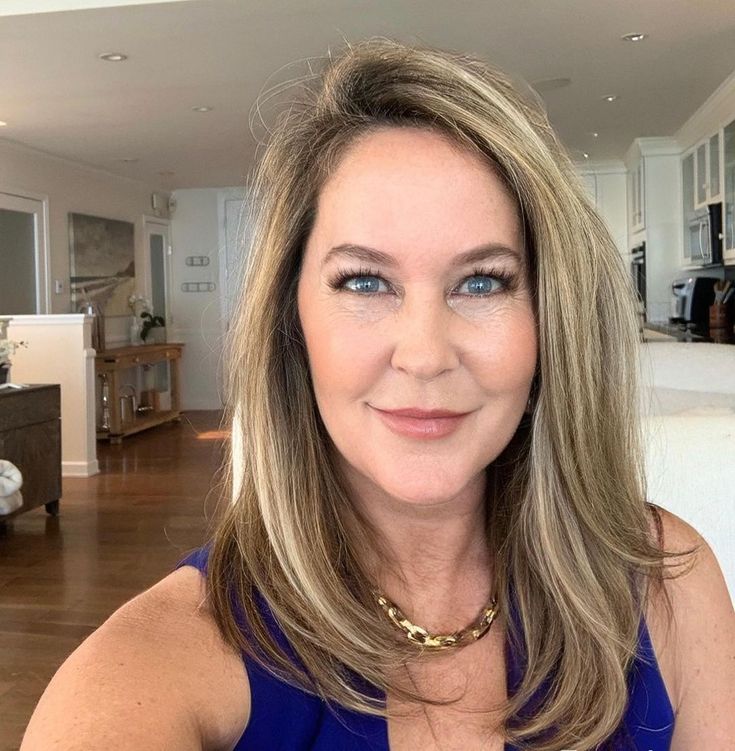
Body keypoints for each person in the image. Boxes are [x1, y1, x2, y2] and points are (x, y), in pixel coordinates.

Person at [22, 39, 734, 751]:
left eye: (482, 280)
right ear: (289, 320)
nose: (423, 354)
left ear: (548, 318)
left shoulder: (666, 582)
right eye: (363, 281)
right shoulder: (161, 667)